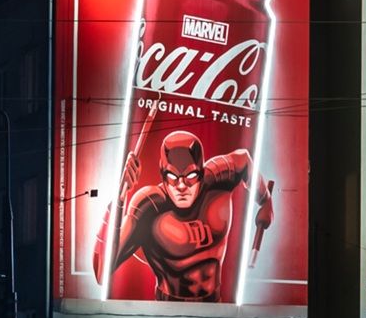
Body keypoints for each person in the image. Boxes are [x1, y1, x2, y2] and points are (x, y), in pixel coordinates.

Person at [98, 127, 271, 301]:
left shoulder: (219, 178)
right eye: (172, 176)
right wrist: (119, 199)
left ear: (201, 172)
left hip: (214, 304)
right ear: (162, 174)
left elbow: (244, 159)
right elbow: (101, 272)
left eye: (191, 175)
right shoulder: (148, 205)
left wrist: (265, 200)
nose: (181, 186)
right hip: (168, 311)